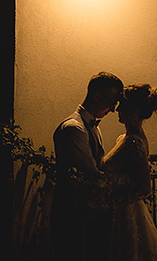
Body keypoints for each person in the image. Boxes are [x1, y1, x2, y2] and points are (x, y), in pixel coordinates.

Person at [50, 72, 124, 261]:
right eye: (112, 103)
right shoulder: (74, 128)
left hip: (86, 211)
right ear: (97, 95)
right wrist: (126, 181)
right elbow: (92, 174)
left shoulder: (93, 127)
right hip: (71, 212)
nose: (113, 110)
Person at [100, 83, 157, 261]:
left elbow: (144, 187)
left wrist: (112, 202)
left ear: (133, 111)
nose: (117, 109)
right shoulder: (126, 138)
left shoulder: (134, 141)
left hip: (125, 214)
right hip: (119, 210)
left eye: (122, 106)